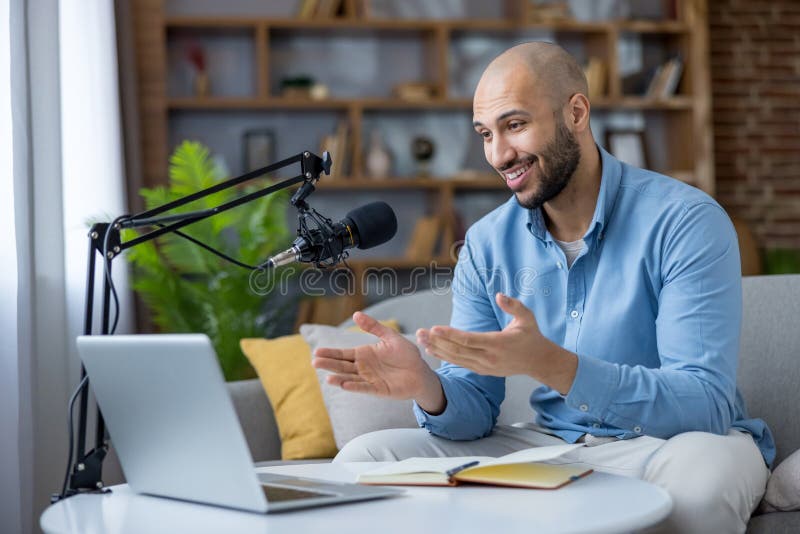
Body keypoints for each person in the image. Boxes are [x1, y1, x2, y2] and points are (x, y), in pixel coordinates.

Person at [312, 42, 773, 532]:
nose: (499, 154)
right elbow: (475, 412)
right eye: (485, 134)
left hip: (670, 446)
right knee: (367, 456)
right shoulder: (488, 243)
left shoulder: (684, 221)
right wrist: (430, 389)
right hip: (549, 446)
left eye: (514, 125)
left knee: (701, 489)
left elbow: (704, 404)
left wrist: (552, 365)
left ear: (575, 112)